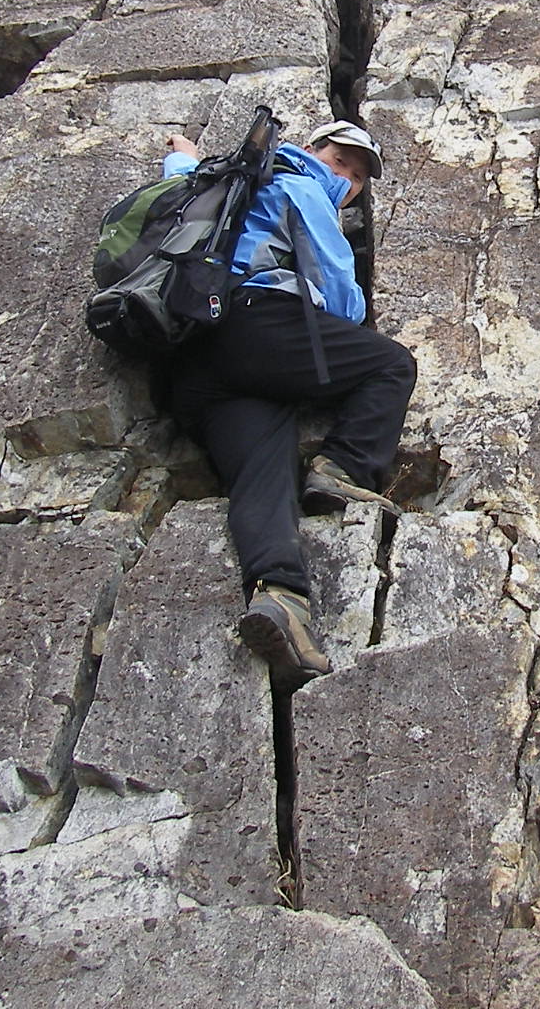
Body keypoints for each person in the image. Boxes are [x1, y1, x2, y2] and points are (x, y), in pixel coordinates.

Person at [160, 117, 417, 685]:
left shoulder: (225, 182)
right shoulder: (301, 183)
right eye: (339, 160)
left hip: (194, 357)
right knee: (390, 365)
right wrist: (347, 326)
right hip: (258, 323)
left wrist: (181, 154)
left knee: (262, 472)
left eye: (355, 176)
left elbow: (181, 191)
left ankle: (281, 596)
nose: (345, 177)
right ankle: (341, 466)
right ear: (309, 149)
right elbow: (335, 290)